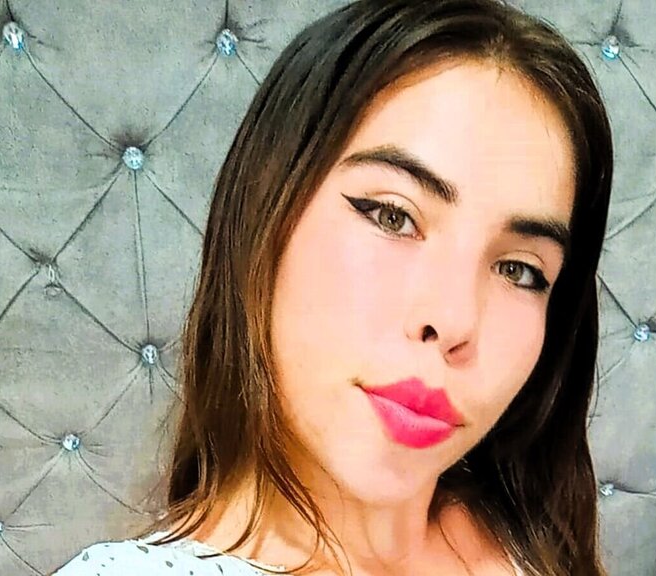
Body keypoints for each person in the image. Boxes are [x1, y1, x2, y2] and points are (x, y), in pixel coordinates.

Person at [53, 0, 613, 574]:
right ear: (264, 214)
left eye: (518, 270)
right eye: (393, 216)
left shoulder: (528, 534)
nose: (454, 319)